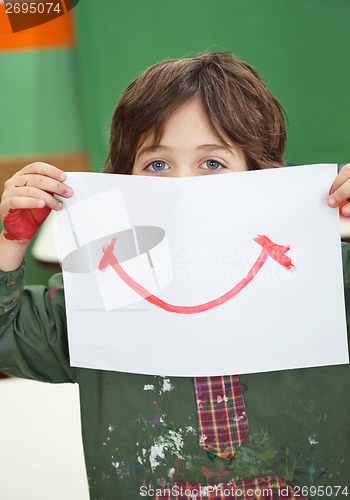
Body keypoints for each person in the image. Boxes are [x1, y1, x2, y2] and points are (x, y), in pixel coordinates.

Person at [0, 52, 350, 500]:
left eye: (213, 163)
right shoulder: (96, 300)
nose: (184, 187)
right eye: (157, 165)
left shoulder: (329, 279)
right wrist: (11, 243)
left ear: (261, 176)